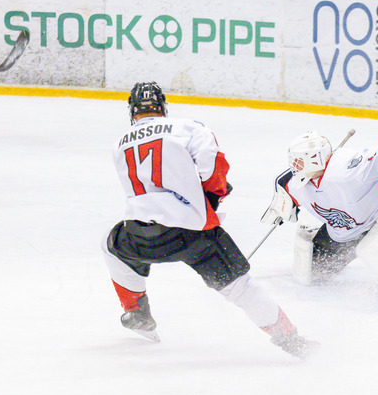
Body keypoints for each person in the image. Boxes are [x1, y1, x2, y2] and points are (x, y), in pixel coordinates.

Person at [101, 81, 317, 359]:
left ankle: (136, 312)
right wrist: (213, 198)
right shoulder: (188, 127)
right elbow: (215, 168)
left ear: (132, 111)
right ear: (163, 108)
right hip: (193, 235)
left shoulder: (120, 143)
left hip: (140, 235)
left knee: (111, 245)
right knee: (242, 289)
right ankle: (291, 339)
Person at [260, 131, 378, 308]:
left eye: (299, 161)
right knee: (316, 272)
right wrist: (282, 204)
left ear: (314, 159)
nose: (295, 167)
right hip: (346, 229)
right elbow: (284, 184)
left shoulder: (346, 167)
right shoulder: (295, 184)